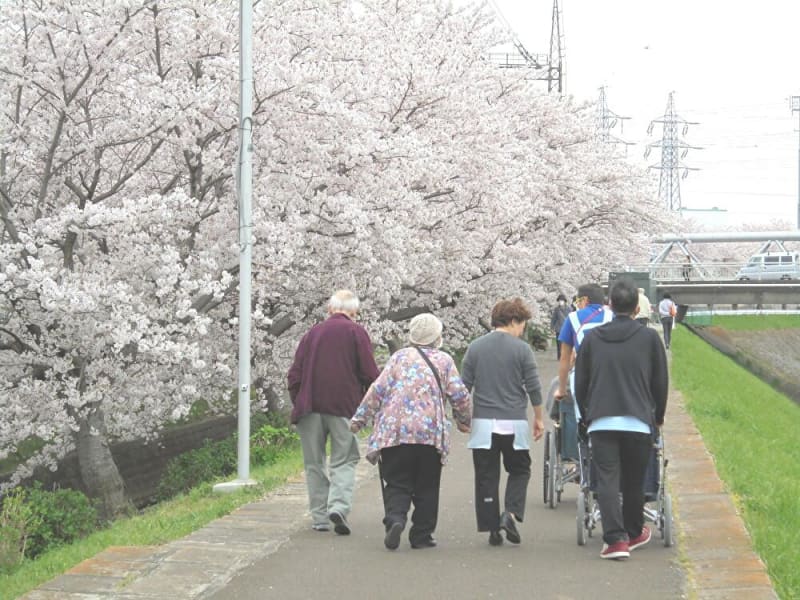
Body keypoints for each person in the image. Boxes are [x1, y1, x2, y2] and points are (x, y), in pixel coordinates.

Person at [350, 313, 471, 551]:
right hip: (429, 433)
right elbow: (459, 394)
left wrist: (359, 419)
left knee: (396, 481)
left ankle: (395, 518)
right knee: (427, 485)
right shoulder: (444, 361)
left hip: (394, 432)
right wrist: (464, 419)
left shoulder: (398, 357)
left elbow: (377, 390)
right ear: (437, 336)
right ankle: (421, 536)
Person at [573, 277, 668, 560]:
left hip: (602, 420)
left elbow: (581, 383)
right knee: (634, 481)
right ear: (637, 308)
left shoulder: (592, 339)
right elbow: (660, 382)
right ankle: (635, 531)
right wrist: (658, 416)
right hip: (638, 420)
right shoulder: (650, 339)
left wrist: (586, 414)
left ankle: (615, 540)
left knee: (607, 480)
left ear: (610, 305)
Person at [287, 290, 380, 535]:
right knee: (344, 458)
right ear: (354, 312)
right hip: (343, 407)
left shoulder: (312, 333)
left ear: (330, 309)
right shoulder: (356, 332)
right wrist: (371, 405)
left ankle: (319, 517)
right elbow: (370, 374)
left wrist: (299, 400)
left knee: (314, 463)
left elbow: (294, 375)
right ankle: (338, 506)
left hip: (309, 407)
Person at [461, 298, 544, 546]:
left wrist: (461, 417)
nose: (523, 331)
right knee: (519, 469)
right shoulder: (522, 349)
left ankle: (491, 528)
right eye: (522, 325)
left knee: (486, 475)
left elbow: (464, 387)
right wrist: (539, 418)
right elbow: (533, 387)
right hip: (514, 423)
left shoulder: (475, 347)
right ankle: (509, 513)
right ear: (513, 321)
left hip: (483, 424)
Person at [553, 283, 613, 461]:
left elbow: (564, 359)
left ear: (585, 300)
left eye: (578, 300)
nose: (577, 304)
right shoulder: (613, 316)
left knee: (578, 413)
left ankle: (579, 457)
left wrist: (562, 389)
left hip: (584, 378)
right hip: (612, 377)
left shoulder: (573, 318)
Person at [549, 293, 570, 360]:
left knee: (566, 343)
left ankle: (565, 355)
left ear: (564, 301)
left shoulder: (569, 309)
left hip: (567, 328)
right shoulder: (556, 309)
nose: (560, 301)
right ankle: (560, 356)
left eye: (562, 300)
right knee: (559, 343)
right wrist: (552, 327)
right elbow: (554, 319)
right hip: (558, 329)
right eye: (559, 300)